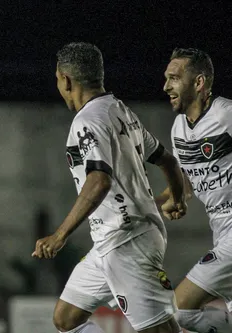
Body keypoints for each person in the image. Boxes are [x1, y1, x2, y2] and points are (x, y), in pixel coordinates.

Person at [32, 42, 187, 333]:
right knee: (66, 319)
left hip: (128, 242)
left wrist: (59, 235)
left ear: (66, 79)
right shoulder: (120, 112)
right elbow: (167, 160)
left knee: (160, 330)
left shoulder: (88, 120)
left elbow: (98, 180)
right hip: (109, 243)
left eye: (57, 79)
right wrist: (176, 199)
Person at [158, 47, 232, 332]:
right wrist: (155, 203)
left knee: (180, 309)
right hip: (221, 232)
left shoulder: (225, 114)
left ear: (199, 83)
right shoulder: (179, 129)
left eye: (174, 78)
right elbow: (184, 186)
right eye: (166, 78)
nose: (166, 86)